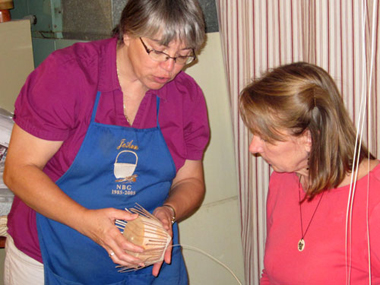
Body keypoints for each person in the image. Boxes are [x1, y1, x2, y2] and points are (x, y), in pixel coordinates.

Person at [3, 0, 209, 284]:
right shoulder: (67, 75)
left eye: (183, 56)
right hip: (53, 255)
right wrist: (86, 222)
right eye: (159, 52)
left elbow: (190, 181)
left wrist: (169, 211)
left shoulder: (186, 96)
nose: (169, 68)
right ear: (127, 32)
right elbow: (19, 171)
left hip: (145, 260)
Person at [239, 62, 380, 284]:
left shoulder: (374, 201)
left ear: (309, 138)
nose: (253, 147)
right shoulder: (282, 180)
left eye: (266, 137)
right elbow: (271, 274)